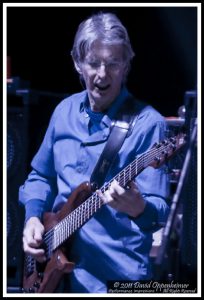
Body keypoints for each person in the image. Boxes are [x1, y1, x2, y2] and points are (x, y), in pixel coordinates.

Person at [19, 11, 170, 293]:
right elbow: (40, 176)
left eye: (113, 63)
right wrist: (32, 217)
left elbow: (159, 212)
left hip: (116, 281)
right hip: (56, 276)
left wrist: (139, 207)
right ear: (78, 64)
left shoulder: (149, 124)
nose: (103, 74)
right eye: (94, 63)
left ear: (126, 65)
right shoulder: (63, 112)